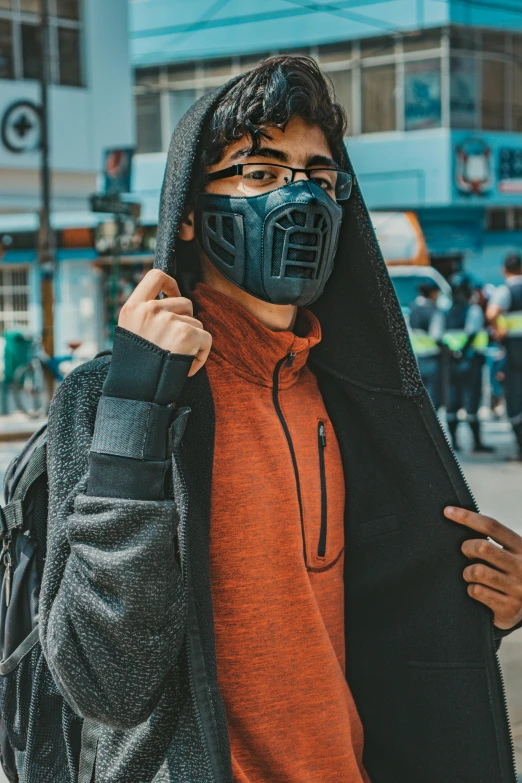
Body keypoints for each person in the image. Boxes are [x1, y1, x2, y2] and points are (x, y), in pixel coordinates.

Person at [23, 57, 522, 782]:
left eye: (320, 178)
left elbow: (390, 623)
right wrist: (135, 411)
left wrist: (486, 605)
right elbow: (106, 684)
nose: (300, 198)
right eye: (260, 172)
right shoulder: (113, 397)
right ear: (189, 211)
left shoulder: (352, 400)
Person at [443, 272, 493, 453]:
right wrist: (463, 352)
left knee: (453, 402)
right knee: (471, 402)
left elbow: (439, 336)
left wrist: (453, 353)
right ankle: (476, 443)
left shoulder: (446, 311)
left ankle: (454, 443)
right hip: (470, 362)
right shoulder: (472, 310)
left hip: (451, 364)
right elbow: (472, 334)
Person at [486, 252, 522, 460]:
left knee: (516, 400)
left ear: (504, 271)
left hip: (515, 355)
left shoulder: (505, 291)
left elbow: (491, 314)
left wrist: (499, 329)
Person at [409, 280, 445, 408]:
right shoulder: (433, 311)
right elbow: (436, 335)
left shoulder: (412, 308)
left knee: (420, 399)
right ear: (433, 293)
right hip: (433, 359)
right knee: (433, 400)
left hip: (417, 359)